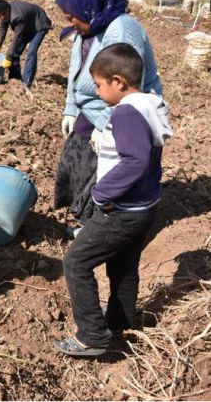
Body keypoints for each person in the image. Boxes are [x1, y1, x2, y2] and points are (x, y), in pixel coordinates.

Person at [54, 43, 173, 356]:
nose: (97, 91)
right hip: (144, 206)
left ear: (119, 82)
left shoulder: (127, 114)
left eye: (98, 85)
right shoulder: (149, 104)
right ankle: (120, 325)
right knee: (123, 266)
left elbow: (135, 160)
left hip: (120, 211)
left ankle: (92, 334)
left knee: (76, 262)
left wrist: (101, 192)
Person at [53, 0, 163, 236]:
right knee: (76, 160)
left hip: (120, 110)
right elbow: (76, 69)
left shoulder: (122, 31)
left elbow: (127, 86)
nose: (69, 22)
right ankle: (84, 217)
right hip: (92, 105)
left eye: (71, 17)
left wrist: (105, 125)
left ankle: (97, 228)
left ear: (88, 9)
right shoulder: (89, 27)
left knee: (103, 171)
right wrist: (71, 107)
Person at [0, 0, 52, 89]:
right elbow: (3, 28)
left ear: (8, 10)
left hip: (39, 25)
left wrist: (8, 57)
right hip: (27, 26)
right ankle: (15, 79)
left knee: (31, 51)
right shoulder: (4, 12)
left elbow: (17, 38)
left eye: (4, 14)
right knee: (14, 53)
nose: (2, 17)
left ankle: (26, 84)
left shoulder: (18, 16)